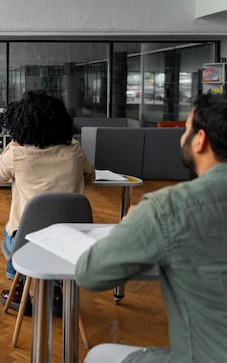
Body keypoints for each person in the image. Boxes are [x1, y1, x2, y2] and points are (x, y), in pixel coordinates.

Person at [76, 93, 227, 363]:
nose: (182, 137)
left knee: (99, 355)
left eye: (187, 130)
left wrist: (130, 225)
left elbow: (90, 274)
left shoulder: (169, 207)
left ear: (200, 140)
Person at [0, 91, 95, 313]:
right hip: (70, 240)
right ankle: (55, 289)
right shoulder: (74, 149)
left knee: (12, 230)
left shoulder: (17, 154)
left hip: (27, 242)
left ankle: (18, 287)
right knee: (29, 233)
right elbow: (90, 177)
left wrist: (9, 147)